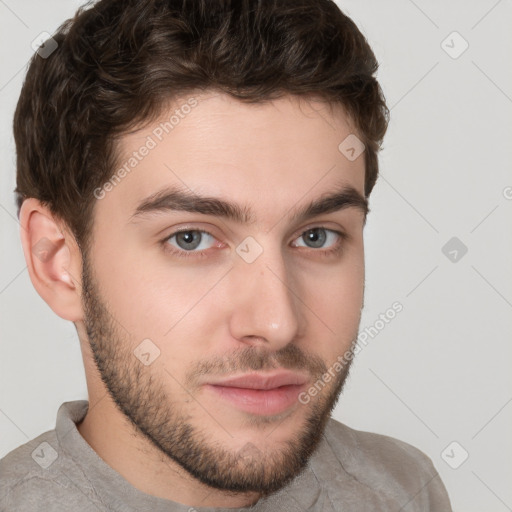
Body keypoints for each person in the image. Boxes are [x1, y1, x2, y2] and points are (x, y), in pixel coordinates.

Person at [0, 0, 452, 510]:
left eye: (316, 236)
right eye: (190, 238)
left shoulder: (401, 489)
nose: (277, 322)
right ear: (59, 262)